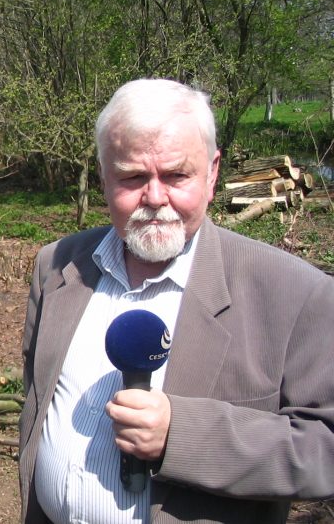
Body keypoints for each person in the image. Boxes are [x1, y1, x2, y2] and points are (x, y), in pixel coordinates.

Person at [18, 78, 334, 523]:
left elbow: (325, 448)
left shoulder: (297, 294)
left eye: (176, 175)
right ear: (104, 176)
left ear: (213, 173)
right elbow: (35, 407)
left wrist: (181, 436)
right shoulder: (57, 266)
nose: (155, 197)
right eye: (132, 177)